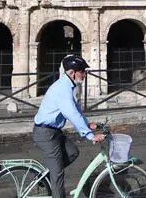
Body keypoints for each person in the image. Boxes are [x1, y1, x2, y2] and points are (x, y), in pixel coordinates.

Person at [32, 54, 105, 198]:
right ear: (72, 73)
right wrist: (90, 135)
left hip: (54, 131)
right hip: (45, 134)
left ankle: (44, 177)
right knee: (58, 174)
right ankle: (52, 178)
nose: (85, 74)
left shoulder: (67, 85)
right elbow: (72, 114)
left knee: (72, 152)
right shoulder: (63, 89)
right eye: (82, 71)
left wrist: (88, 125)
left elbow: (76, 109)